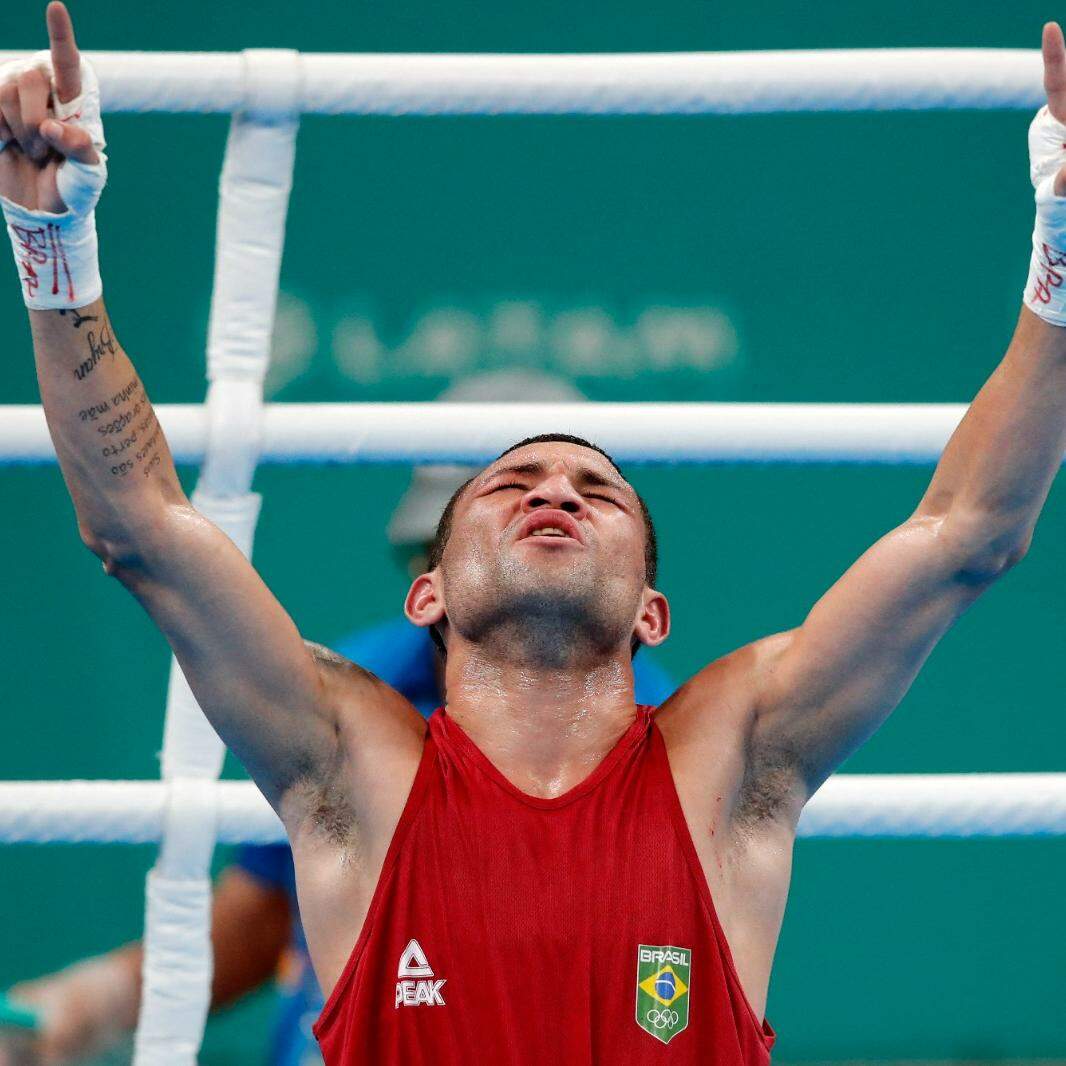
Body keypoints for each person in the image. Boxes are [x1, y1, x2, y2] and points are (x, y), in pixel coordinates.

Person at [4, 5, 1066, 1062]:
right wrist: (54, 248)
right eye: (510, 482)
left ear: (653, 611)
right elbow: (138, 527)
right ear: (426, 593)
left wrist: (1060, 265)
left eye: (595, 491)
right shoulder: (350, 765)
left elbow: (968, 532)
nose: (554, 490)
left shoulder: (730, 761)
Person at [0, 369, 676, 1066]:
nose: (549, 502)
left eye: (578, 504)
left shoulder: (678, 749)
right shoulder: (353, 693)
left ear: (640, 600)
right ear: (427, 579)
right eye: (498, 505)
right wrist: (82, 1004)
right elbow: (263, 915)